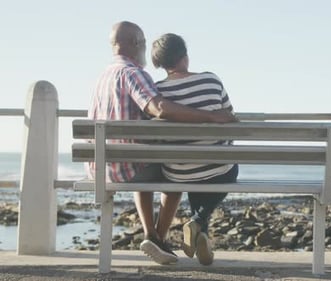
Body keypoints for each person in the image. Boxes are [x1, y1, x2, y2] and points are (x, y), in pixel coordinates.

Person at [86, 21, 237, 266]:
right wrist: (211, 116)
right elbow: (159, 108)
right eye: (143, 42)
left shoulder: (102, 77)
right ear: (136, 43)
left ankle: (159, 236)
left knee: (171, 165)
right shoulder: (133, 74)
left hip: (101, 167)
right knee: (177, 173)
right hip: (129, 167)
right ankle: (166, 233)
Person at [151, 33, 238, 266]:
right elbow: (229, 115)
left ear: (160, 63)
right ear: (185, 57)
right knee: (226, 169)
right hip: (217, 168)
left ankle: (203, 239)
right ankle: (198, 222)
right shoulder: (211, 80)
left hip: (177, 172)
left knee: (193, 172)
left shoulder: (158, 92)